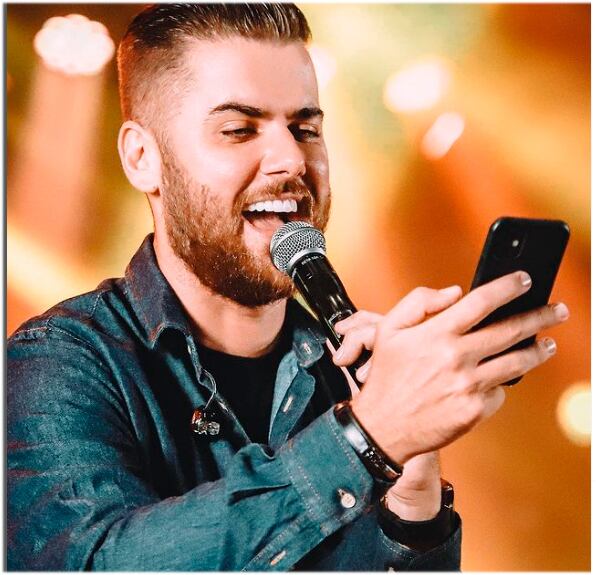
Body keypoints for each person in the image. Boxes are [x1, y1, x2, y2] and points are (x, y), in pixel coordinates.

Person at [7, 4, 569, 571]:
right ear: (141, 157)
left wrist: (412, 507)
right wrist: (368, 438)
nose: (291, 159)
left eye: (306, 129)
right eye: (238, 130)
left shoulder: (348, 374)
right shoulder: (58, 362)